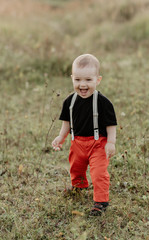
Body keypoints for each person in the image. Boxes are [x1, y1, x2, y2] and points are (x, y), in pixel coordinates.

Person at [52, 54, 117, 216]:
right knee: (76, 168)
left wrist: (111, 142)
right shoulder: (69, 101)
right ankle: (79, 186)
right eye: (78, 80)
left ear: (98, 80)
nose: (83, 85)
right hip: (77, 143)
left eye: (88, 80)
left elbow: (111, 124)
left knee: (99, 173)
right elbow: (66, 122)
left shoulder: (103, 102)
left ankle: (101, 201)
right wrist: (61, 137)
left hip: (98, 144)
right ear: (72, 79)